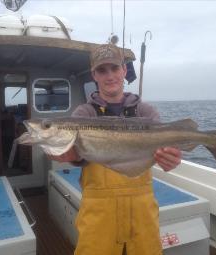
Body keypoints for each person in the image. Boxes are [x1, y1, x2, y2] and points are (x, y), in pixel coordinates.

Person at [49, 44, 182, 255]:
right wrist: (71, 155)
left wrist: (171, 160)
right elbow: (80, 156)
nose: (109, 75)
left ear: (124, 71)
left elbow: (160, 151)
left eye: (114, 68)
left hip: (142, 211)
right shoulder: (84, 113)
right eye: (102, 70)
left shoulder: (146, 111)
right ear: (94, 75)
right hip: (99, 212)